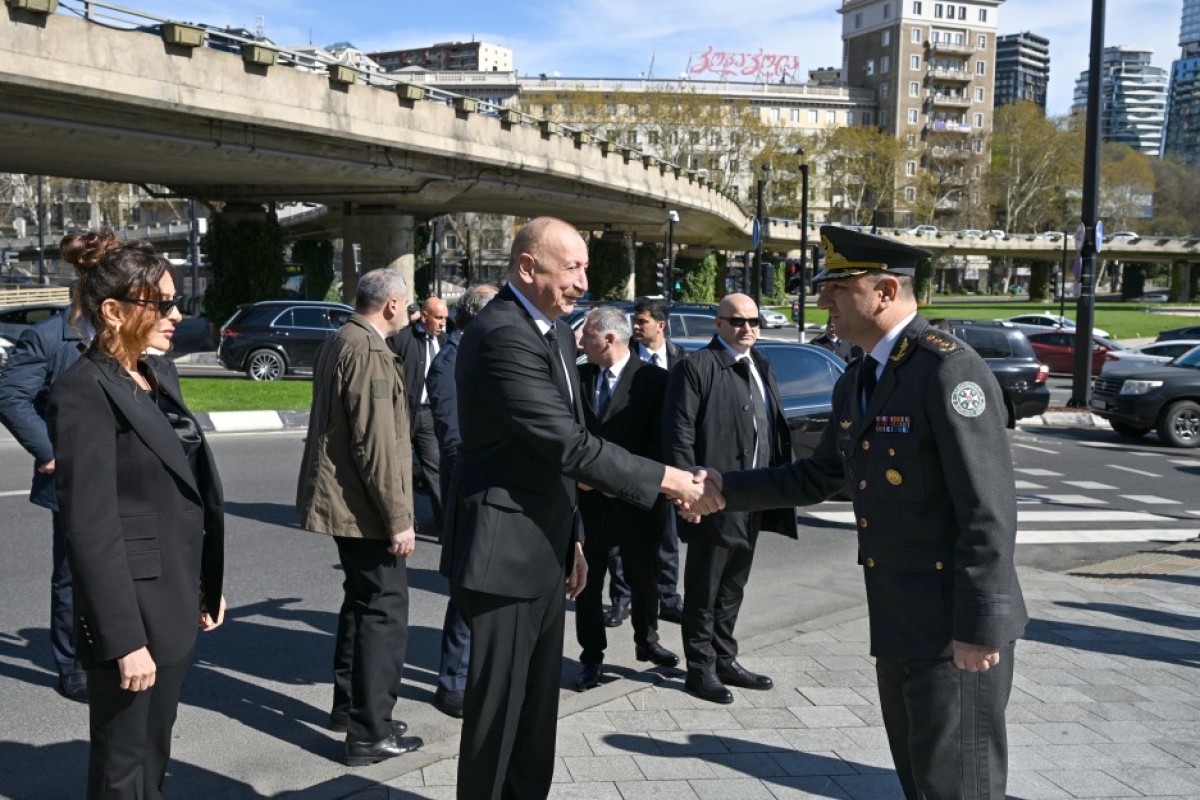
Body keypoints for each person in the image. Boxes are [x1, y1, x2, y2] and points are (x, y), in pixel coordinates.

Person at [705, 226, 1027, 799]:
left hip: (952, 630)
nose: (823, 299)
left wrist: (980, 628)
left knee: (959, 786)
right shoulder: (859, 377)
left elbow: (988, 511)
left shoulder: (947, 369)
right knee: (919, 780)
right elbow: (819, 476)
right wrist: (721, 487)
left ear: (885, 291)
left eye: (838, 287)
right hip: (898, 619)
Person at [443, 216, 712, 799]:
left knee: (536, 714)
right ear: (527, 267)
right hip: (504, 555)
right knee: (499, 718)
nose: (584, 282)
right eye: (572, 268)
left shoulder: (557, 334)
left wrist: (575, 541)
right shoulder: (502, 334)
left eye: (585, 267)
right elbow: (568, 445)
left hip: (545, 546)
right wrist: (669, 480)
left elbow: (564, 450)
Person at [46, 230, 226, 799]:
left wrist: (206, 583)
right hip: (132, 612)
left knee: (153, 752)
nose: (177, 315)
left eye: (176, 302)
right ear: (114, 312)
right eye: (163, 304)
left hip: (175, 596)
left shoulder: (157, 375)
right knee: (122, 766)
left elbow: (184, 492)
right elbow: (90, 528)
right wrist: (123, 640)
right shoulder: (83, 390)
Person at [296, 268, 424, 766]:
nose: (409, 310)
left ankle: (351, 709)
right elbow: (377, 446)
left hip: (347, 502)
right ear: (390, 305)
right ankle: (371, 732)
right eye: (406, 302)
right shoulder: (368, 350)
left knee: (360, 603)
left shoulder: (341, 338)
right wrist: (398, 518)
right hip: (364, 508)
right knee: (383, 613)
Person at [662, 292, 796, 705]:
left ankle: (724, 658)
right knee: (704, 589)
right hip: (711, 496)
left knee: (734, 584)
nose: (748, 328)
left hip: (754, 495)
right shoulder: (697, 367)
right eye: (738, 321)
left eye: (754, 321)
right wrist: (687, 493)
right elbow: (679, 433)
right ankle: (699, 669)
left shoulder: (761, 363)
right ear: (718, 324)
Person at [572, 305, 679, 692]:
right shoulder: (580, 377)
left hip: (636, 502)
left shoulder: (654, 380)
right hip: (589, 502)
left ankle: (646, 641)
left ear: (609, 338)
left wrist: (619, 482)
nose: (580, 343)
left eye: (587, 336)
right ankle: (591, 658)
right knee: (587, 583)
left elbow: (660, 443)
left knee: (644, 577)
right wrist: (582, 477)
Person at [0, 307, 92, 702]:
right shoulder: (50, 335)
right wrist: (50, 451)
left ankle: (117, 650)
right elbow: (10, 395)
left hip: (126, 474)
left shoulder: (129, 327)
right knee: (74, 575)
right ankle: (72, 664)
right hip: (75, 476)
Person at [425, 283, 499, 718]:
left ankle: (477, 674)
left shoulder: (482, 352)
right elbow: (453, 443)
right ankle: (451, 681)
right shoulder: (450, 361)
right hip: (472, 494)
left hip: (493, 491)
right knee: (467, 592)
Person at [622, 295, 688, 625]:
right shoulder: (625, 356)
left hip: (668, 460)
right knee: (624, 535)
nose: (635, 326)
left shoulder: (681, 359)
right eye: (634, 321)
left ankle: (668, 597)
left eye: (642, 321)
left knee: (667, 533)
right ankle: (621, 599)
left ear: (660, 325)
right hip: (631, 458)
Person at [387, 296, 450, 535]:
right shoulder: (402, 339)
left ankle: (446, 527)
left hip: (430, 415)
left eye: (445, 318)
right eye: (438, 318)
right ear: (424, 316)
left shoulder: (445, 342)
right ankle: (402, 523)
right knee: (400, 471)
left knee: (435, 469)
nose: (443, 323)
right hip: (403, 413)